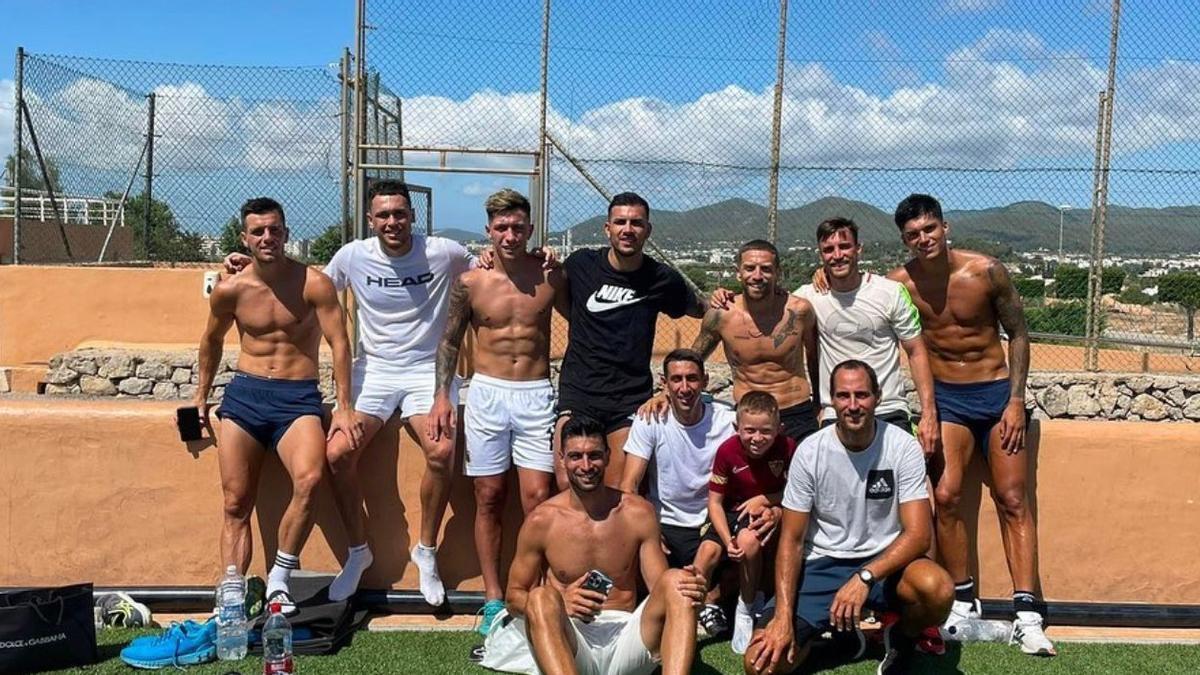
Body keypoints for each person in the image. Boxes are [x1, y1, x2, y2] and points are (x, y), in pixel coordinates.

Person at [887, 194, 1054, 655]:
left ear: (945, 226)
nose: (924, 240)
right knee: (945, 495)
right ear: (904, 240)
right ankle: (963, 600)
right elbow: (853, 297)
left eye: (930, 229)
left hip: (997, 393)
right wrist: (821, 279)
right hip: (947, 400)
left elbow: (1018, 333)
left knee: (1013, 498)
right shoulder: (899, 282)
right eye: (913, 235)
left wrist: (1016, 400)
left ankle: (1027, 612)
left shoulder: (986, 271)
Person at [194, 197, 360, 613]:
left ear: (286, 232)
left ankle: (280, 579)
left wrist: (343, 406)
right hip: (245, 396)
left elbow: (341, 343)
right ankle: (232, 586)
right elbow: (210, 342)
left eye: (275, 229)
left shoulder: (313, 283)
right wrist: (199, 396)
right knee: (235, 502)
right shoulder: (231, 288)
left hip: (297, 398)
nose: (267, 237)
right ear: (245, 238)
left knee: (309, 479)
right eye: (258, 231)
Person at [746, 360, 953, 675]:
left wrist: (864, 577)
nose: (853, 405)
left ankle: (900, 636)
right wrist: (783, 618)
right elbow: (791, 540)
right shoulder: (810, 451)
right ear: (831, 400)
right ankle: (838, 642)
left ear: (878, 397)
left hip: (885, 566)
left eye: (862, 395)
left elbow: (919, 535)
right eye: (843, 396)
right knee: (760, 666)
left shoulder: (902, 447)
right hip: (822, 565)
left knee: (937, 589)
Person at [429, 189, 567, 636]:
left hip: (536, 393)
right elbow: (449, 341)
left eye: (518, 228)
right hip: (486, 394)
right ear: (488, 230)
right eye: (501, 228)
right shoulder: (471, 282)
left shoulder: (551, 275)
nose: (510, 235)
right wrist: (442, 396)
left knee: (538, 500)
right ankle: (492, 599)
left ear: (530, 230)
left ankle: (538, 594)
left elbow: (586, 315)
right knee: (488, 497)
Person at [481, 416, 707, 675]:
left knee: (678, 581)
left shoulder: (638, 513)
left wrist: (690, 591)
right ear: (562, 458)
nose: (586, 465)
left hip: (626, 637)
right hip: (571, 641)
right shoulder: (542, 520)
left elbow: (660, 587)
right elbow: (513, 597)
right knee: (541, 597)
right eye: (576, 456)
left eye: (594, 456)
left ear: (608, 457)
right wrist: (563, 603)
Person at [555, 192, 707, 487]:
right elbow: (540, 283)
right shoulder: (580, 264)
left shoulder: (662, 279)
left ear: (647, 230)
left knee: (619, 491)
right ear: (607, 228)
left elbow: (705, 310)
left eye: (636, 223)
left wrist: (726, 300)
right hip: (579, 393)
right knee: (567, 485)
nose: (628, 229)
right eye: (620, 222)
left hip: (629, 400)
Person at [618, 348, 738, 637]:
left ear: (706, 381)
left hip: (712, 518)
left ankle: (706, 603)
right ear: (664, 383)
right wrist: (648, 529)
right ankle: (695, 604)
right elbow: (628, 486)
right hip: (667, 523)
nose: (685, 388)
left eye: (692, 379)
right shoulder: (649, 420)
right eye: (677, 380)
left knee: (740, 539)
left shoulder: (726, 421)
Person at [797, 217, 939, 455]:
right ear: (821, 255)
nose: (837, 255)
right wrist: (723, 298)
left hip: (889, 409)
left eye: (844, 247)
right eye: (828, 250)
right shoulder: (808, 297)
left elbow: (916, 351)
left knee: (916, 486)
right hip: (836, 412)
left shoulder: (890, 292)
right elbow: (769, 307)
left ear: (858, 249)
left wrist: (929, 414)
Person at [663, 240, 819, 444]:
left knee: (807, 475)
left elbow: (815, 357)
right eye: (749, 268)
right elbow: (693, 361)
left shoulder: (799, 311)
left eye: (766, 269)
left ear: (778, 273)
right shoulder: (721, 315)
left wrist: (820, 403)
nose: (757, 276)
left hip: (795, 412)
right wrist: (665, 394)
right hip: (748, 417)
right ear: (738, 272)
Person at [707, 391, 797, 654]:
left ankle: (769, 602)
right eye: (749, 431)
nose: (757, 438)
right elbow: (714, 503)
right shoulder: (727, 451)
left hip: (780, 512)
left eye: (765, 431)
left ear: (779, 429)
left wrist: (767, 499)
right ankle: (745, 608)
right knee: (745, 542)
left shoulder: (789, 447)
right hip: (739, 517)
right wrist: (727, 541)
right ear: (737, 428)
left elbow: (802, 492)